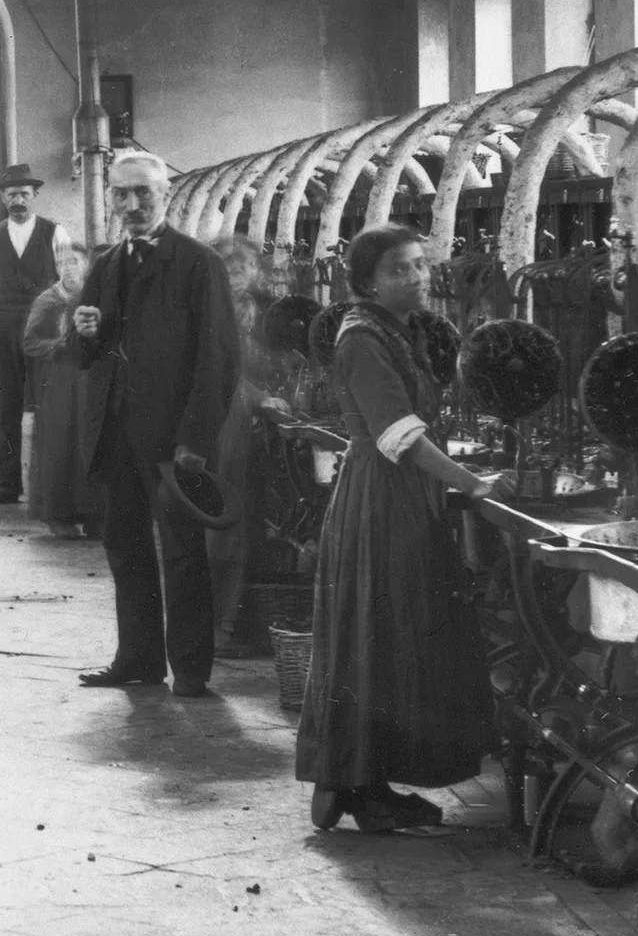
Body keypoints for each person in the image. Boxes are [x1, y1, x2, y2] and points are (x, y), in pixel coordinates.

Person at [297, 226, 512, 833]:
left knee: (389, 636)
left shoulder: (402, 330)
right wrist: (471, 482)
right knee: (380, 630)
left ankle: (361, 779)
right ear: (367, 282)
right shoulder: (363, 338)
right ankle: (357, 783)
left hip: (405, 496)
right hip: (381, 497)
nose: (416, 277)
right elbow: (398, 434)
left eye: (420, 265)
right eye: (399, 270)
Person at [72, 150, 240, 697]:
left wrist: (197, 437)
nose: (132, 203)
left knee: (183, 550)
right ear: (111, 200)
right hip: (116, 431)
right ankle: (138, 659)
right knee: (125, 545)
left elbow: (218, 357)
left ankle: (190, 669)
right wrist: (86, 331)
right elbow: (85, 354)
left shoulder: (197, 264)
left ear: (165, 196)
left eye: (143, 192)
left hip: (172, 436)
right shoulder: (105, 265)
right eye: (121, 193)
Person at [0, 164, 74, 505]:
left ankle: (53, 488)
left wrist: (62, 333)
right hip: (1, 332)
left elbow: (71, 285)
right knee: (6, 409)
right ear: (2, 198)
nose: (18, 200)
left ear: (35, 196)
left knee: (50, 407)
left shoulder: (55, 233)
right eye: (11, 194)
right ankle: (6, 484)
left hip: (44, 333)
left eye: (24, 194)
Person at [210, 235, 286, 659]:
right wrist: (262, 397)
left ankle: (225, 620)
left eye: (245, 269)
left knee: (233, 527)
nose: (241, 277)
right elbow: (222, 372)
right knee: (221, 527)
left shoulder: (251, 310)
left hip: (237, 424)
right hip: (222, 427)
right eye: (232, 270)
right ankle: (217, 624)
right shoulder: (218, 314)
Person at [24, 240, 101, 539]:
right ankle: (58, 514)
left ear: (86, 265)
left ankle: (94, 512)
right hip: (60, 380)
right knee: (60, 443)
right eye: (63, 262)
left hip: (89, 379)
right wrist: (63, 345)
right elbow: (30, 342)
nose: (69, 267)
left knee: (90, 442)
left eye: (75, 261)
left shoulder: (94, 296)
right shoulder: (48, 300)